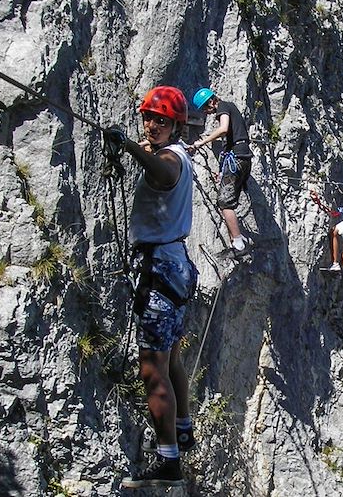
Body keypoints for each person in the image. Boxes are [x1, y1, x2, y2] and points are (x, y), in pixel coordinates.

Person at [117, 86, 197, 489]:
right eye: (148, 117)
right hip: (176, 267)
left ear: (176, 125)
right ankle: (183, 428)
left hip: (160, 272)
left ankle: (169, 461)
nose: (152, 124)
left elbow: (161, 172)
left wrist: (131, 146)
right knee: (173, 360)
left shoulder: (170, 157)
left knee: (152, 368)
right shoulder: (182, 154)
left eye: (161, 119)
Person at [188, 87, 254, 256]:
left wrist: (201, 143)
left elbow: (224, 128)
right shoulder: (230, 107)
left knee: (225, 202)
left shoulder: (223, 106)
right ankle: (237, 243)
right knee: (228, 199)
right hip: (243, 158)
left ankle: (239, 244)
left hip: (237, 159)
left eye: (206, 108)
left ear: (211, 101)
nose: (207, 113)